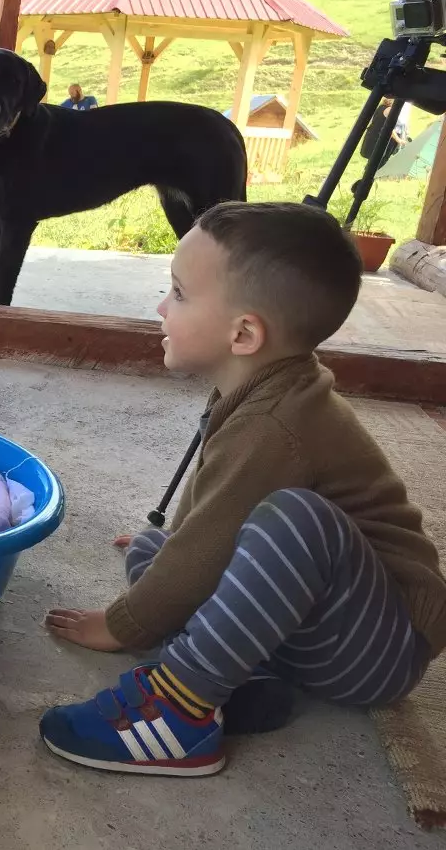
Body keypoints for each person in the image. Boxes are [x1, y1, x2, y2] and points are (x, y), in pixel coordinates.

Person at [38, 202, 446, 776]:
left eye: (178, 293)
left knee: (287, 522)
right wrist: (175, 554)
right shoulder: (258, 389)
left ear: (244, 332)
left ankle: (181, 711)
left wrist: (122, 624)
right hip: (313, 620)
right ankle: (250, 677)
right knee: (158, 552)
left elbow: (209, 543)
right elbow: (210, 510)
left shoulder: (278, 423)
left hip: (379, 644)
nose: (160, 306)